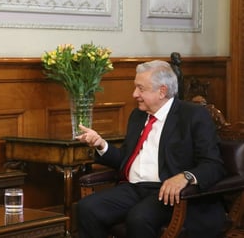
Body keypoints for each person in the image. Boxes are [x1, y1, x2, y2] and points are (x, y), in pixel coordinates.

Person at [76, 60, 226, 238]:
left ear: (162, 91)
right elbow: (126, 160)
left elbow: (213, 164)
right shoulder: (138, 115)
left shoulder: (192, 115)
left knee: (138, 218)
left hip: (168, 193)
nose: (134, 94)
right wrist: (101, 144)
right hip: (134, 188)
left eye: (141, 88)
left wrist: (185, 177)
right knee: (86, 208)